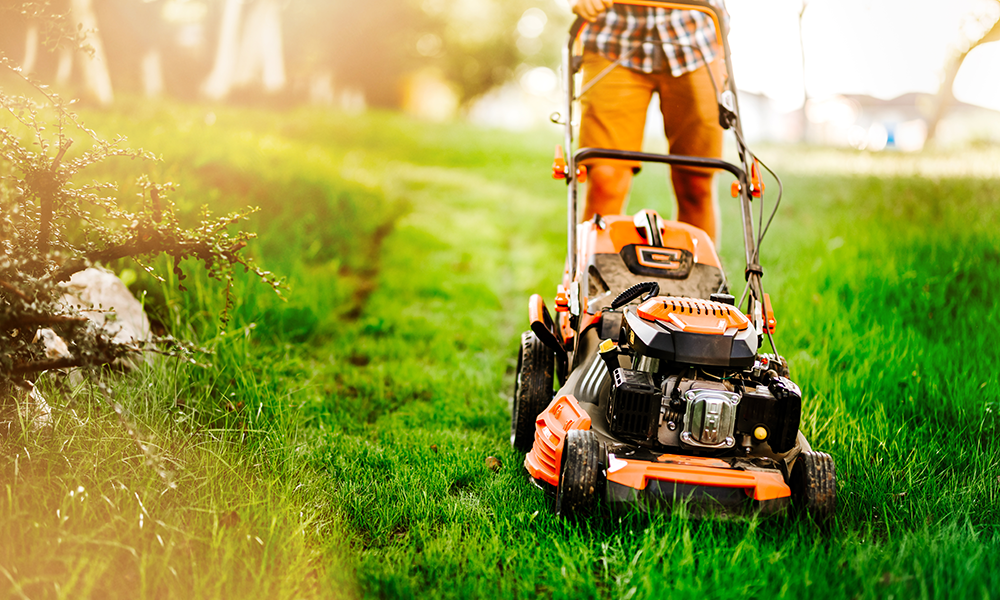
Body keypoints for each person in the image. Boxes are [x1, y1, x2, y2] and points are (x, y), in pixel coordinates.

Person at [571, 0, 729, 242]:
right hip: (613, 37)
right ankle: (588, 276)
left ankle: (700, 278)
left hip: (695, 36)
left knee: (697, 182)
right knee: (606, 176)